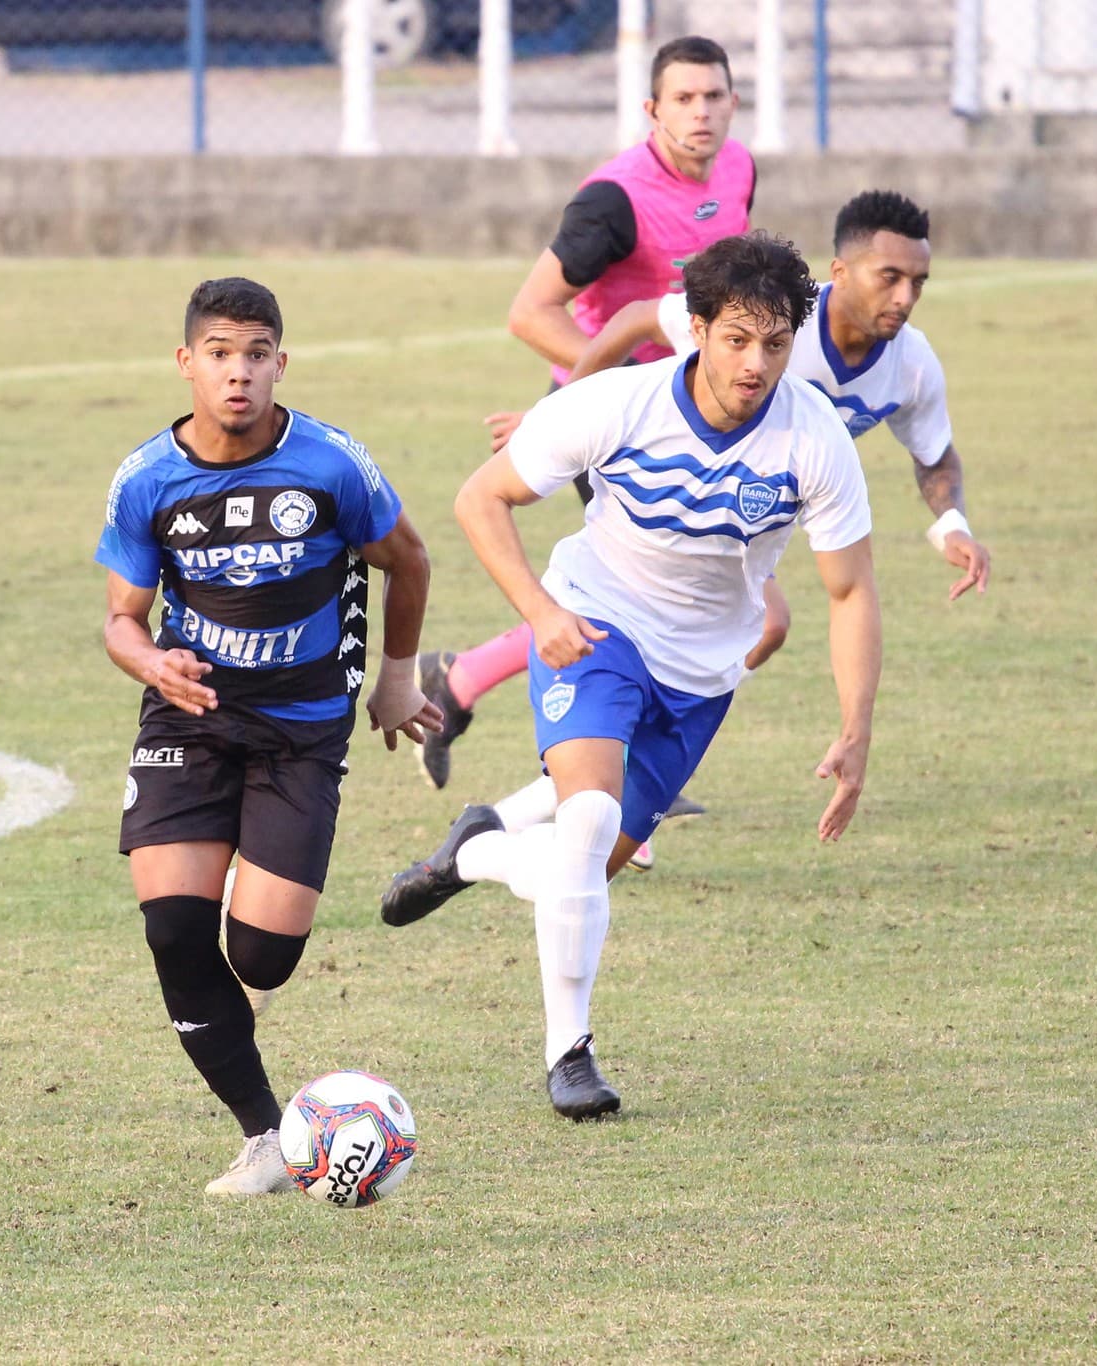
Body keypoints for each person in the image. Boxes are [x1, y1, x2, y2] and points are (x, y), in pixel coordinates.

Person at [378, 233, 882, 1121]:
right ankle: (568, 1054)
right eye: (735, 339)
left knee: (586, 869)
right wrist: (541, 613)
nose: (755, 363)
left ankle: (479, 846)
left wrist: (855, 731)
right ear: (696, 330)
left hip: (701, 677)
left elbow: (850, 592)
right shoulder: (620, 404)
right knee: (592, 818)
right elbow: (477, 499)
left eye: (774, 343)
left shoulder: (815, 442)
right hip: (594, 624)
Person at [467, 189, 996, 842]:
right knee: (698, 616)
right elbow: (636, 317)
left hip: (752, 531)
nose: (905, 296)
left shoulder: (908, 367)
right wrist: (564, 412)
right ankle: (561, 738)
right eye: (890, 276)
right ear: (841, 273)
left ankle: (519, 806)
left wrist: (953, 527)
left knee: (754, 626)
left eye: (918, 281)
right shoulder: (764, 319)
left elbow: (933, 455)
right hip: (662, 476)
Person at [96, 278, 443, 1195]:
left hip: (300, 730)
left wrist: (396, 679)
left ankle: (285, 1108)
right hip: (192, 718)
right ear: (186, 364)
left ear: (280, 364)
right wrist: (150, 665)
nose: (238, 373)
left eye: (256, 355)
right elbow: (121, 620)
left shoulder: (330, 464)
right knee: (174, 926)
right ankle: (265, 1137)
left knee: (262, 958)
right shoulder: (147, 479)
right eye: (219, 354)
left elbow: (407, 558)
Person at [413, 34, 757, 792]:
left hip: (697, 421)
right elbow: (530, 311)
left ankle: (461, 682)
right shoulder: (614, 201)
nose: (701, 113)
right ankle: (616, 784)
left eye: (714, 97)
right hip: (621, 420)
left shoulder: (738, 168)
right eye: (684, 99)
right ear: (651, 110)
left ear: (734, 102)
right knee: (647, 599)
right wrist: (588, 400)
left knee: (703, 596)